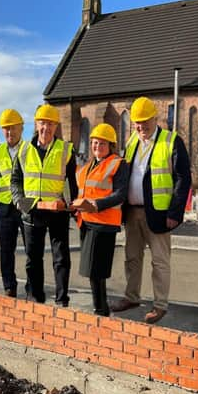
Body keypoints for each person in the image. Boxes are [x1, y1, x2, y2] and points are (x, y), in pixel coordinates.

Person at [111, 97, 192, 324]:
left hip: (158, 213)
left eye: (145, 122)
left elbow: (183, 179)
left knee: (160, 261)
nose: (140, 127)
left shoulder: (171, 141)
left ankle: (160, 305)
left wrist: (174, 214)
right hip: (132, 212)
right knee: (132, 258)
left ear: (155, 118)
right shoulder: (131, 143)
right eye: (137, 122)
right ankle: (131, 296)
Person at [10, 104, 78, 306]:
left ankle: (61, 298)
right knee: (33, 258)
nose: (45, 128)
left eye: (50, 124)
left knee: (61, 258)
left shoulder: (66, 149)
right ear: (36, 124)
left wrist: (67, 203)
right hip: (32, 212)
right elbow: (15, 181)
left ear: (56, 126)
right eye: (42, 123)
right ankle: (35, 296)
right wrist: (21, 202)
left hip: (57, 212)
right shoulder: (23, 151)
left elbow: (72, 182)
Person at [71, 123, 128, 316]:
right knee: (92, 270)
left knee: (97, 270)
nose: (97, 146)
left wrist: (96, 204)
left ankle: (100, 310)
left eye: (102, 143)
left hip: (104, 223)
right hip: (86, 222)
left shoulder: (118, 164)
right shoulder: (87, 167)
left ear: (110, 145)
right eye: (94, 143)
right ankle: (99, 307)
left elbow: (120, 194)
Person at [0, 109, 26, 297]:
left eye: (13, 128)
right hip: (5, 207)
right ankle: (9, 285)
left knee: (31, 248)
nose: (9, 132)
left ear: (21, 128)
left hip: (25, 205)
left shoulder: (28, 148)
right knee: (6, 250)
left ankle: (32, 284)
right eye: (6, 129)